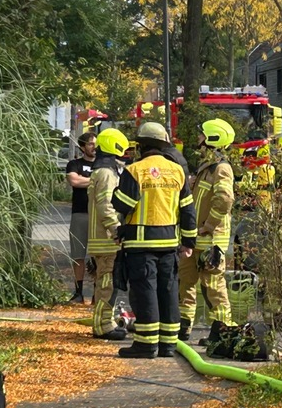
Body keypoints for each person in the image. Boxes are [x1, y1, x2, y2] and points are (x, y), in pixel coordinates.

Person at [111, 121, 197, 359]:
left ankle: (147, 345)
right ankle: (168, 344)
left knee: (145, 290)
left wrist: (116, 192)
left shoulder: (134, 170)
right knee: (168, 291)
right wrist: (189, 243)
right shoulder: (177, 171)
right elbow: (188, 210)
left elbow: (123, 204)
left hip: (141, 245)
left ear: (141, 146)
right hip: (169, 244)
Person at [179, 119, 237, 341]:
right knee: (186, 282)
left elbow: (224, 200)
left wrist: (208, 225)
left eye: (202, 136)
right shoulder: (207, 168)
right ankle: (183, 327)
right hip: (195, 239)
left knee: (213, 286)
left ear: (212, 139)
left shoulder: (221, 168)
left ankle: (222, 331)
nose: (198, 140)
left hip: (210, 240)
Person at [87, 128, 131, 340]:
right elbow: (105, 205)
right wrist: (116, 229)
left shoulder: (105, 170)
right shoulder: (105, 173)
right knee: (106, 283)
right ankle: (102, 325)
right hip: (106, 238)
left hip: (103, 237)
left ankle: (107, 321)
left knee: (108, 282)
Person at [65, 131, 98, 303]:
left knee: (97, 255)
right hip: (79, 214)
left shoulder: (102, 164)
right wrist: (96, 180)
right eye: (91, 144)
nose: (94, 147)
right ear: (83, 146)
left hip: (97, 215)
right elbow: (74, 181)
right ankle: (78, 292)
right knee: (78, 255)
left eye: (96, 143)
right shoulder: (74, 164)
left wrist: (86, 180)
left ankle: (96, 293)